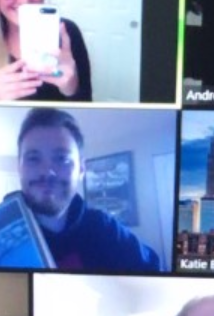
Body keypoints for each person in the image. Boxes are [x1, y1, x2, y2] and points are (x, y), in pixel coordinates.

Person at [10, 107, 160, 271]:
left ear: (81, 169)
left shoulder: (104, 229)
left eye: (61, 159)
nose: (47, 171)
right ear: (19, 167)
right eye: (33, 158)